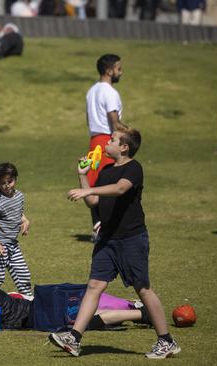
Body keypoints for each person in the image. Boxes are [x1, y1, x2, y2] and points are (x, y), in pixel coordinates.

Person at [50, 127, 181, 359]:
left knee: (143, 288)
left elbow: (120, 189)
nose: (106, 143)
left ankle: (166, 341)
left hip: (131, 238)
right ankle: (74, 337)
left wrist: (89, 188)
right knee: (94, 286)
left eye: (112, 140)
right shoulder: (106, 170)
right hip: (107, 239)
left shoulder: (134, 168)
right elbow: (93, 202)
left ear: (124, 147)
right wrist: (83, 175)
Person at [0, 257, 152, 330]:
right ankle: (138, 310)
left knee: (88, 320)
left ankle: (142, 314)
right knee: (85, 312)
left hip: (37, 315)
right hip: (37, 306)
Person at [85, 54, 126, 238]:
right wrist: (130, 134)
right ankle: (106, 228)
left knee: (94, 184)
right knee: (108, 185)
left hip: (94, 141)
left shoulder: (91, 91)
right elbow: (115, 122)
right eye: (118, 69)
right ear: (109, 71)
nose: (121, 72)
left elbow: (88, 119)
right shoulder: (110, 92)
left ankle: (97, 227)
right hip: (107, 142)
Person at [0, 162, 32, 296]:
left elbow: (17, 213)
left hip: (13, 246)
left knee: (24, 276)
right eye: (3, 183)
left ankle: (28, 302)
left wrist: (26, 221)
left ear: (15, 179)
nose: (7, 186)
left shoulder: (19, 196)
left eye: (10, 181)